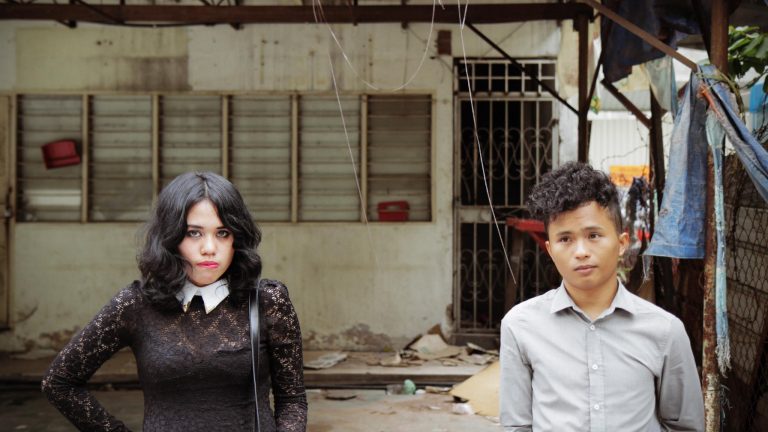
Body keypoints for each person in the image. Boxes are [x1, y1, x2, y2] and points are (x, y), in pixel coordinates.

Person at [42, 172, 307, 432]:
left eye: (223, 233)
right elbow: (59, 382)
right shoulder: (135, 305)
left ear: (237, 238)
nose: (209, 248)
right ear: (170, 237)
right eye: (194, 233)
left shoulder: (268, 301)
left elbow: (292, 400)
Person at [499, 162, 704, 432]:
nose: (581, 251)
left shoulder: (665, 331)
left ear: (621, 243)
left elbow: (686, 426)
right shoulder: (520, 326)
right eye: (565, 239)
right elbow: (516, 425)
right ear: (549, 250)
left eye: (593, 235)